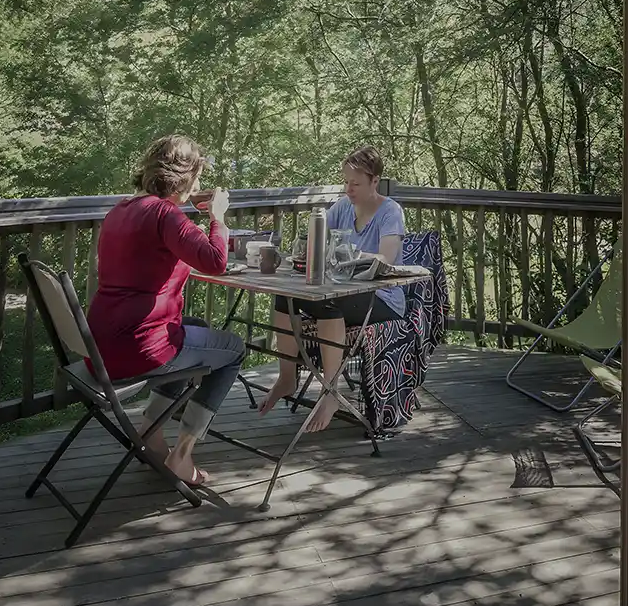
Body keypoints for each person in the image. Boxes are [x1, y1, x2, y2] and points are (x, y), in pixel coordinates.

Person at [87, 134, 243, 486]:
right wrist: (218, 218)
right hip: (139, 346)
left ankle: (150, 432)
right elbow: (216, 261)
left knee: (196, 325)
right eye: (197, 177)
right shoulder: (164, 214)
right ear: (184, 178)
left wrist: (187, 213)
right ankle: (182, 454)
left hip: (99, 345)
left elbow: (159, 248)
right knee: (232, 350)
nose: (199, 185)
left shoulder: (122, 209)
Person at [258, 145, 405, 432]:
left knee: (329, 304)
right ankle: (286, 376)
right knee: (284, 297)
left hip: (383, 299)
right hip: (344, 291)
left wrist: (348, 255)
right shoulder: (342, 208)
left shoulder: (390, 212)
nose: (349, 189)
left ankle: (330, 392)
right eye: (346, 181)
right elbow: (317, 246)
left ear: (375, 181)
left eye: (356, 183)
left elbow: (386, 258)